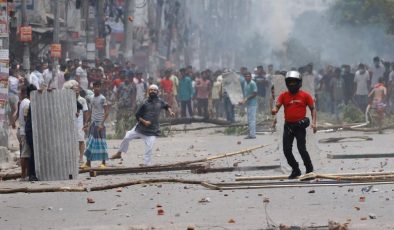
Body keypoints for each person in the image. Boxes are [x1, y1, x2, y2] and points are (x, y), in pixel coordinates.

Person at [110, 84, 175, 166]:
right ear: (148, 92)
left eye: (154, 90)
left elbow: (167, 106)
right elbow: (137, 115)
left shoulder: (160, 102)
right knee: (127, 137)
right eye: (151, 90)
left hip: (152, 129)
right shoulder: (144, 103)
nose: (152, 91)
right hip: (140, 128)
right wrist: (144, 122)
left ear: (157, 92)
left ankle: (146, 164)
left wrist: (170, 112)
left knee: (149, 147)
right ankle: (119, 153)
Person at [271, 70, 317, 179]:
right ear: (287, 83)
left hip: (300, 126)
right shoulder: (283, 96)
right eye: (290, 82)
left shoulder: (306, 96)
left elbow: (313, 109)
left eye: (294, 82)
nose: (292, 84)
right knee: (286, 150)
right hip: (288, 126)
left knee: (301, 149)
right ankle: (296, 169)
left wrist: (314, 123)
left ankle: (309, 169)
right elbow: (277, 106)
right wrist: (274, 109)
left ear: (299, 83)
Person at [82, 81, 109, 169]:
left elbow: (106, 112)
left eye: (98, 86)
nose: (96, 88)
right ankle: (88, 163)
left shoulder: (103, 98)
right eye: (95, 86)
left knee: (101, 143)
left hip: (100, 124)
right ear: (93, 88)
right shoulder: (91, 98)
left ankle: (104, 163)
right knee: (90, 143)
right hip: (93, 124)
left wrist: (102, 123)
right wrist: (86, 122)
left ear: (100, 87)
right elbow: (90, 111)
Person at [239, 71, 258, 139]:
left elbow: (255, 93)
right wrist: (243, 100)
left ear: (251, 77)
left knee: (252, 119)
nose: (247, 77)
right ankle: (250, 133)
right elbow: (245, 94)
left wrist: (246, 99)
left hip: (253, 104)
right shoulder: (245, 83)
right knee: (249, 119)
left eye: (248, 76)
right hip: (248, 104)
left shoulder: (253, 83)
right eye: (246, 76)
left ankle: (252, 135)